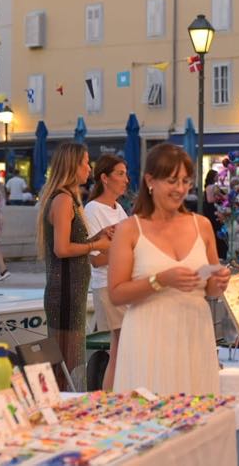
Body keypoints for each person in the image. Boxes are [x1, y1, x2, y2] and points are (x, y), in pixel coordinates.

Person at [109, 143, 230, 395]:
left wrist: (219, 282)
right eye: (172, 181)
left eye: (185, 181)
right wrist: (161, 280)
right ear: (150, 181)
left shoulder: (202, 225)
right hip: (148, 334)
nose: (180, 189)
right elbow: (116, 293)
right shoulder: (129, 229)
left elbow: (211, 290)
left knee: (197, 406)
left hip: (194, 332)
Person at [36, 142, 103, 388]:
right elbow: (62, 249)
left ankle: (65, 401)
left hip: (71, 291)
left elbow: (73, 242)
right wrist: (97, 245)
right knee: (66, 364)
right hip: (65, 292)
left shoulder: (69, 199)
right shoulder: (63, 200)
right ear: (72, 165)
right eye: (85, 162)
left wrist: (100, 236)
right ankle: (62, 404)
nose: (89, 168)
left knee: (69, 362)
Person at [82, 154, 130, 391]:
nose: (126, 180)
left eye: (126, 174)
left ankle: (116, 395)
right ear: (104, 178)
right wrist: (124, 248)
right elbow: (96, 259)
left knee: (123, 348)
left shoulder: (118, 209)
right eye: (120, 174)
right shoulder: (93, 210)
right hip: (108, 286)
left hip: (124, 284)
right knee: (121, 348)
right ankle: (112, 396)